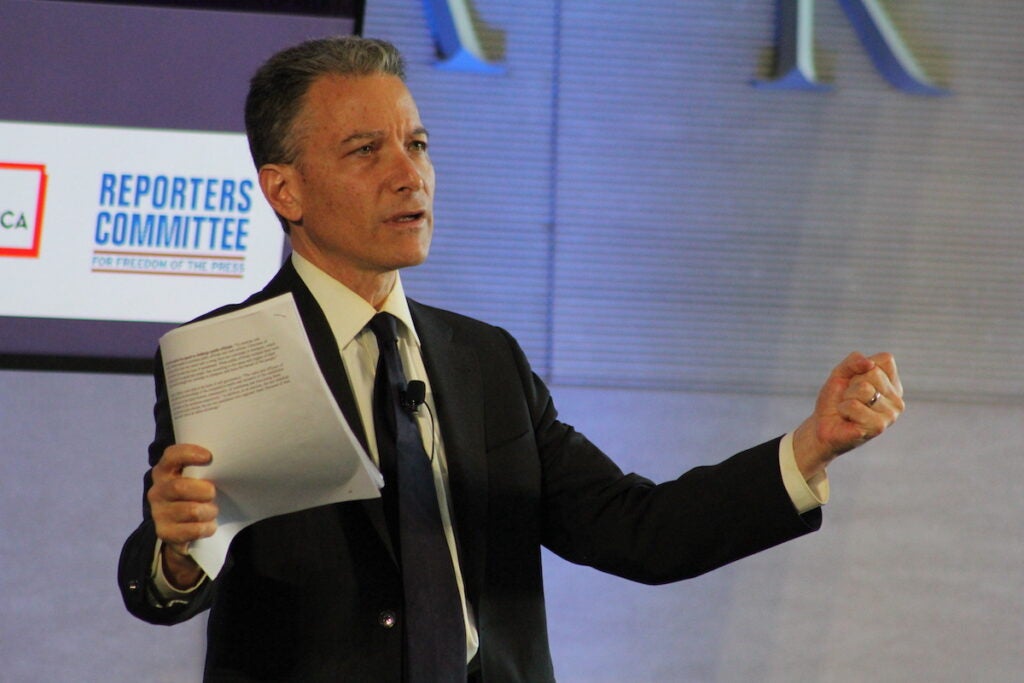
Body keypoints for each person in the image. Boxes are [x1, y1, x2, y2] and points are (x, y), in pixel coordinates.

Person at [118, 36, 904, 682]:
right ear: (284, 189)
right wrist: (180, 553)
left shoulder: (486, 361)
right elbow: (167, 579)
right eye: (366, 151)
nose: (409, 174)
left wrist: (811, 446)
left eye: (417, 143)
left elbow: (641, 530)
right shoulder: (232, 351)